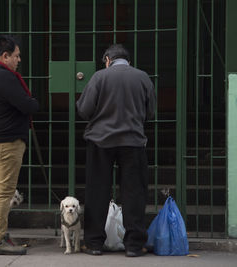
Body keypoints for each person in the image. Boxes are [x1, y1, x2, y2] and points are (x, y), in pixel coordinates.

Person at [76, 44, 156, 257]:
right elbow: (151, 113)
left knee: (97, 191)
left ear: (107, 60)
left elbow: (84, 110)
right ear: (128, 61)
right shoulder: (142, 77)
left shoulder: (99, 77)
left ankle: (93, 243)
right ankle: (134, 245)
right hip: (133, 141)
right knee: (134, 192)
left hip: (100, 141)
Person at [0, 35, 39, 255]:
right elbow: (26, 104)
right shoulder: (4, 77)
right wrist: (34, 102)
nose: (18, 60)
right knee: (4, 193)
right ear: (5, 56)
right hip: (8, 142)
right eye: (16, 55)